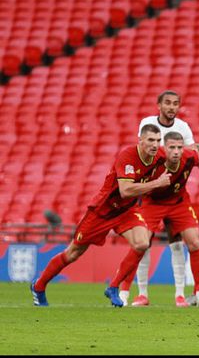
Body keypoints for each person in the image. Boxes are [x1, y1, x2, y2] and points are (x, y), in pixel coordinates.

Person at [30, 124, 172, 306]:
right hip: (103, 211)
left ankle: (113, 287)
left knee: (142, 243)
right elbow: (126, 190)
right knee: (73, 253)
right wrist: (157, 184)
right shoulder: (128, 156)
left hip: (126, 210)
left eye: (158, 140)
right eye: (151, 140)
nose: (155, 144)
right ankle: (39, 286)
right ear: (141, 140)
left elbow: (178, 156)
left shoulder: (159, 156)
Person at [122, 90, 199, 308]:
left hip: (177, 197)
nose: (172, 107)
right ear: (159, 105)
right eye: (167, 103)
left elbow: (197, 156)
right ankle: (140, 293)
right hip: (152, 196)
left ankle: (191, 294)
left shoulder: (183, 128)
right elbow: (144, 153)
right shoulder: (147, 123)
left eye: (175, 103)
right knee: (142, 244)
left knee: (191, 241)